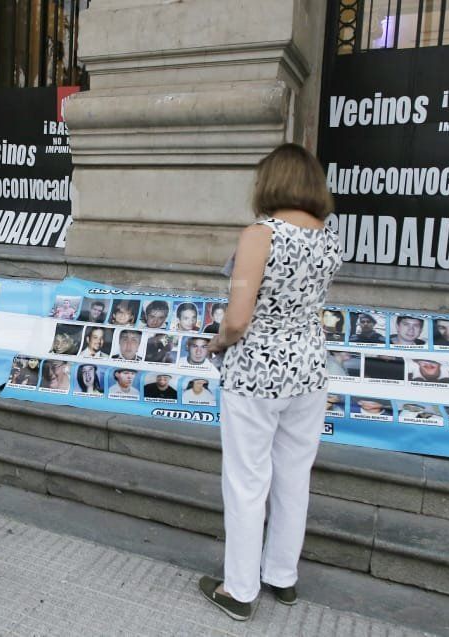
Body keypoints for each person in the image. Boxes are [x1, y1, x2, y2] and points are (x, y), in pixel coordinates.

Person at [200, 143, 342, 621]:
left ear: (270, 182)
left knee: (245, 480)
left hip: (258, 371)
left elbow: (238, 318)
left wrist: (218, 343)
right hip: (309, 369)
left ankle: (239, 589)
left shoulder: (260, 234)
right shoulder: (329, 237)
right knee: (293, 476)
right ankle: (281, 577)